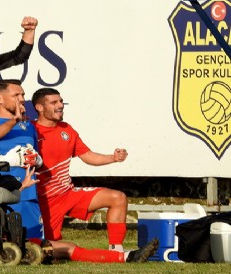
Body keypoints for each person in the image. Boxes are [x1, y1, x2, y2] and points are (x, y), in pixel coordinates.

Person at [30, 87, 158, 262]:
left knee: (117, 197)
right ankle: (121, 257)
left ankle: (117, 251)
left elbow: (88, 156)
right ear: (39, 107)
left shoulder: (67, 129)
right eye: (54, 102)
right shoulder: (30, 130)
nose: (60, 105)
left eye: (61, 101)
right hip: (44, 201)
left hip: (67, 193)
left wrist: (113, 158)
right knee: (48, 249)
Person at [0, 79, 44, 241]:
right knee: (2, 243)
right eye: (16, 95)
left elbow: (36, 155)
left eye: (23, 94)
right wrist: (8, 160)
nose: (22, 99)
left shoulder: (28, 126)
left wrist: (36, 159)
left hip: (29, 192)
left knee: (35, 244)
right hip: (3, 191)